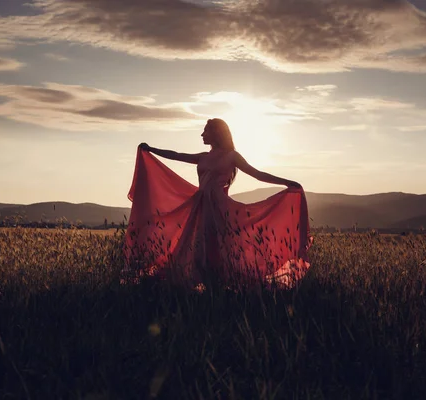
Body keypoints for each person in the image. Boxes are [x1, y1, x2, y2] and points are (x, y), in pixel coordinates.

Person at [124, 118, 311, 288]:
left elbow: (257, 174)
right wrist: (151, 150)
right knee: (197, 246)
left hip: (219, 208)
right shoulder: (203, 156)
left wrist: (286, 182)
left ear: (216, 133)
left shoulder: (232, 156)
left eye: (205, 131)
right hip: (200, 205)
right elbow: (176, 154)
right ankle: (205, 286)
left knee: (218, 246)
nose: (202, 135)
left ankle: (217, 287)